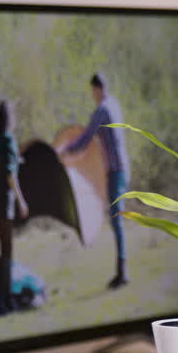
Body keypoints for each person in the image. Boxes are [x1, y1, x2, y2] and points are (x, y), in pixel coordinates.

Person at [58, 72, 130, 289]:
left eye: (93, 92)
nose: (93, 96)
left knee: (116, 220)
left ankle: (122, 273)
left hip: (115, 172)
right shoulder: (114, 105)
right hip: (123, 168)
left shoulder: (102, 111)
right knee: (117, 219)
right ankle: (122, 270)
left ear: (97, 89)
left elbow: (86, 139)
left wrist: (65, 151)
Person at [0, 99, 30, 316]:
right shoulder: (7, 140)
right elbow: (9, 175)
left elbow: (9, 164)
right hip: (4, 204)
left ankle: (1, 302)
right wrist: (21, 201)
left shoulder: (0, 140)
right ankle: (3, 303)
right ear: (9, 117)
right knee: (7, 255)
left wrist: (20, 160)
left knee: (4, 254)